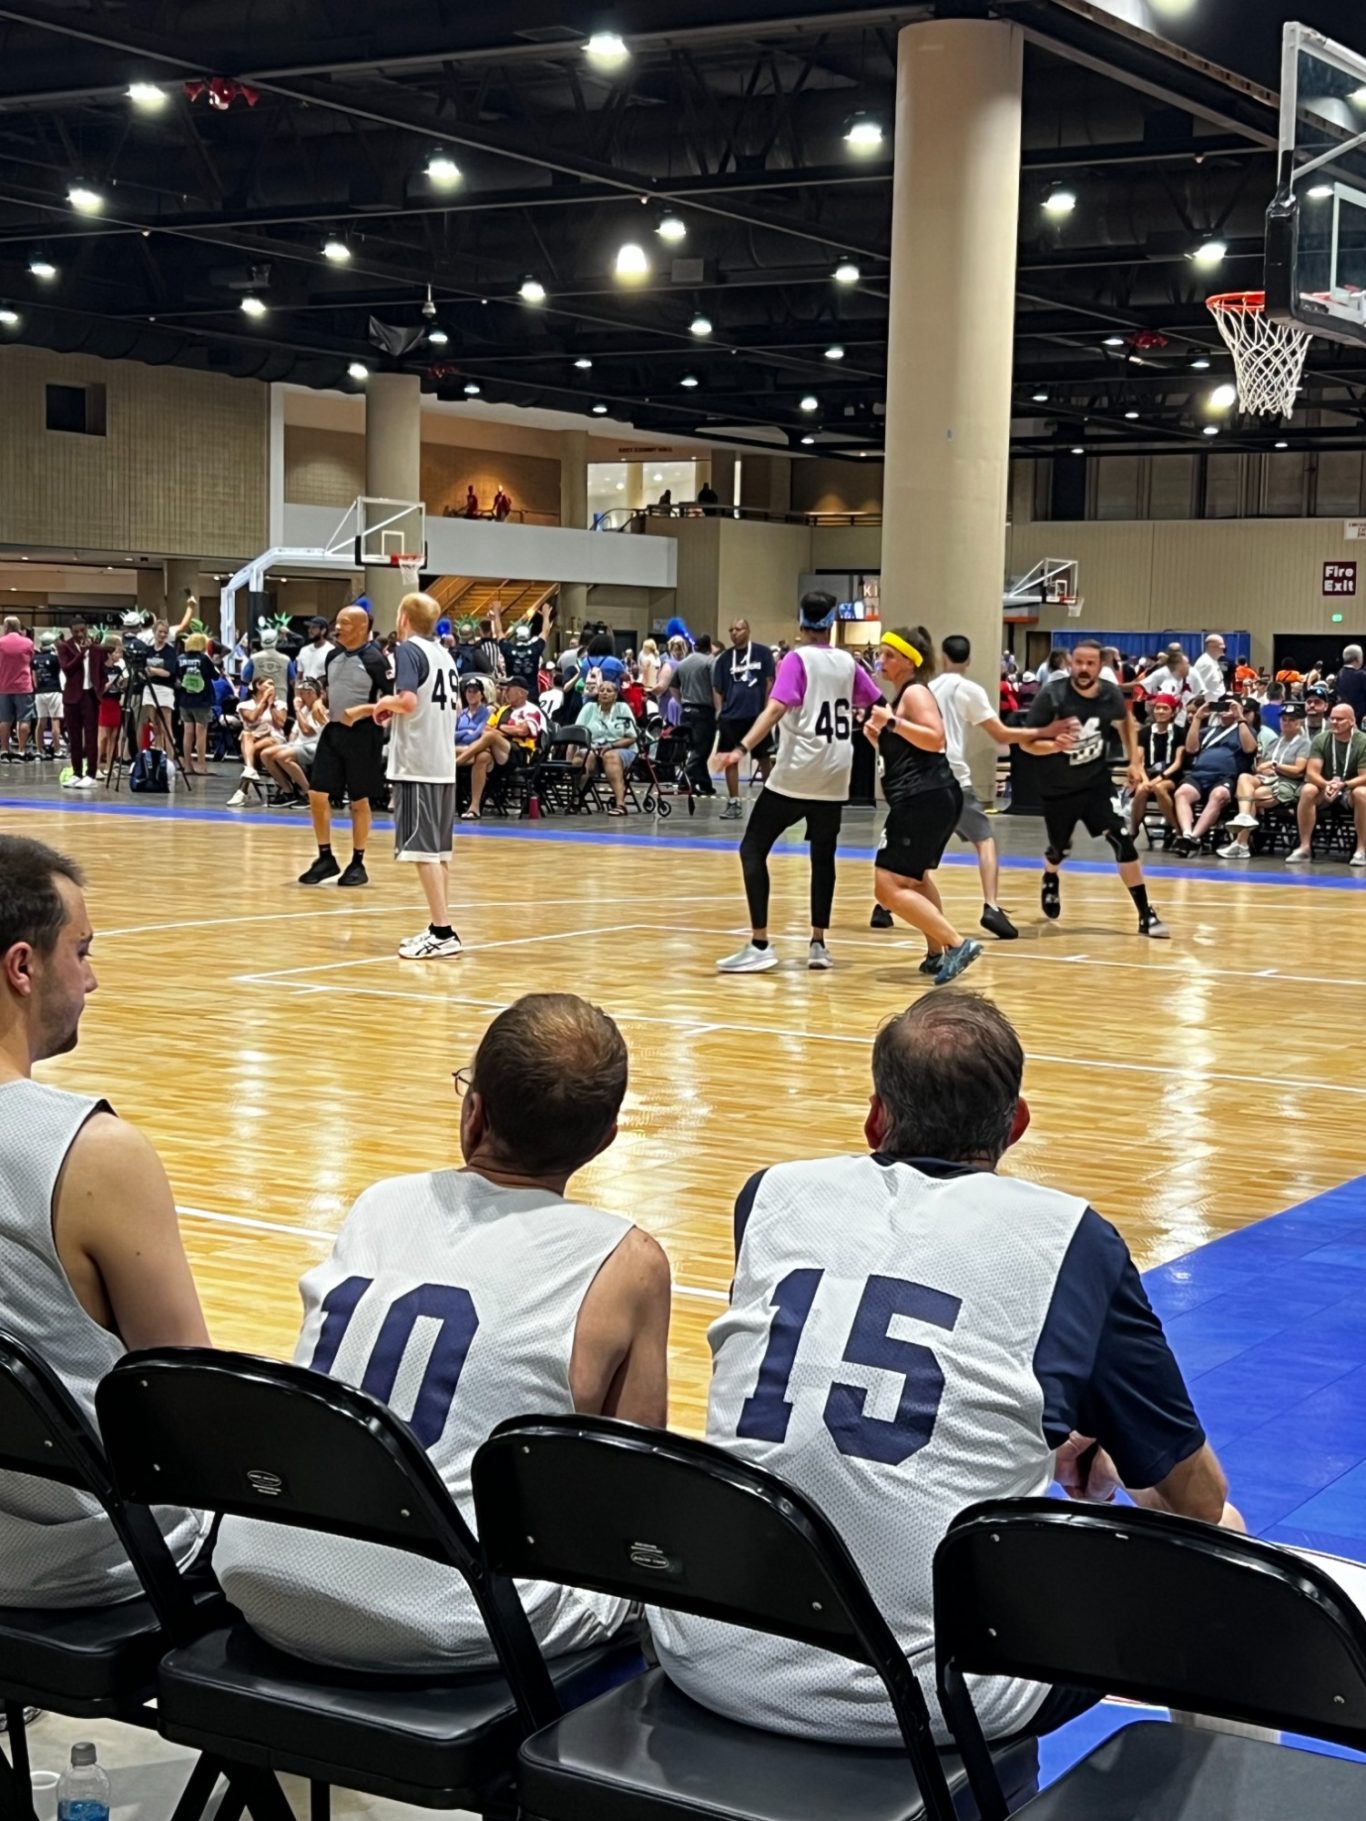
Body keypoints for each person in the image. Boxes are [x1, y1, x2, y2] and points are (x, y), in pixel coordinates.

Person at [650, 990, 1237, 1747]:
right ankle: (1233, 1790)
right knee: (1228, 1544)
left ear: (875, 1118)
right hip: (931, 1700)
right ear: (1016, 1122)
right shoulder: (1071, 1238)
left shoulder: (770, 1196)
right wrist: (1110, 1456)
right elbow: (1197, 1499)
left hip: (706, 1648)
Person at [215, 993, 670, 1671]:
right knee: (648, 1574)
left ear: (473, 1112)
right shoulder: (628, 1259)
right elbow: (633, 1485)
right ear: (605, 1141)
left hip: (260, 1579)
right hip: (449, 1622)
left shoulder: (379, 1203)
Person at [0, 835, 209, 1607]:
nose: (91, 977)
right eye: (81, 951)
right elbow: (189, 1398)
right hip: (89, 1573)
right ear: (22, 967)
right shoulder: (93, 1153)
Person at [713, 592, 882, 974]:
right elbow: (876, 703)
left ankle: (760, 943)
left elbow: (775, 708)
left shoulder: (796, 659)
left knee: (752, 848)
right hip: (836, 772)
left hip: (798, 771)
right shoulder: (849, 662)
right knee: (823, 857)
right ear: (832, 623)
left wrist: (741, 747)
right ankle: (818, 943)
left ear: (801, 622)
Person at [924, 633, 1076, 942]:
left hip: (923, 777)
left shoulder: (925, 689)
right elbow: (1002, 735)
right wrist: (1044, 731)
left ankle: (884, 906)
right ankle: (991, 906)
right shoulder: (968, 689)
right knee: (985, 840)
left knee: (920, 845)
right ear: (969, 660)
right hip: (952, 776)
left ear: (942, 657)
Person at [1021, 637, 1170, 939]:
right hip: (1059, 787)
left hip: (1096, 784)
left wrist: (1134, 761)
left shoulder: (1109, 694)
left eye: (1090, 663)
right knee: (1060, 849)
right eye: (1078, 662)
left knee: (1122, 840)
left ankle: (1145, 914)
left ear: (1100, 665)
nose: (1084, 668)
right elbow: (1027, 743)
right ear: (1070, 664)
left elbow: (1126, 722)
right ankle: (1050, 876)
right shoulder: (1052, 696)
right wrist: (1053, 745)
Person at [345, 592, 465, 958]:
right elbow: (450, 707)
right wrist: (391, 710)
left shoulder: (409, 650)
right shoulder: (445, 655)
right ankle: (439, 924)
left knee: (422, 852)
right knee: (438, 852)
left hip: (418, 763)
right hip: (442, 763)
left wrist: (384, 703)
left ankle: (443, 932)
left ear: (403, 619)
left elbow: (410, 701)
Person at [864, 629, 982, 986]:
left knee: (887, 887)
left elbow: (935, 738)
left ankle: (956, 944)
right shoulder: (902, 696)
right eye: (881, 654)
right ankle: (936, 952)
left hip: (923, 799)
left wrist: (892, 723)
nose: (881, 661)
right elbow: (909, 751)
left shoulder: (915, 693)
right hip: (931, 797)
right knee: (915, 880)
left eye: (889, 655)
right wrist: (880, 739)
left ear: (909, 660)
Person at [298, 604, 390, 888]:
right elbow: (331, 689)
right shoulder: (333, 656)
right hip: (334, 731)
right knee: (316, 793)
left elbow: (394, 704)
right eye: (337, 622)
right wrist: (318, 702)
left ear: (362, 628)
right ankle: (325, 857)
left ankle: (358, 861)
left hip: (364, 735)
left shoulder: (376, 660)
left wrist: (362, 711)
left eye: (345, 623)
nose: (337, 628)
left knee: (359, 800)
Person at [1217, 700, 1309, 859]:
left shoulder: (1304, 743)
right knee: (1244, 777)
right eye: (1284, 719)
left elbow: (1298, 770)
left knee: (1252, 797)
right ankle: (1244, 817)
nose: (1286, 723)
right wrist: (1265, 768)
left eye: (1291, 720)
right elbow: (1260, 766)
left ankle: (1241, 844)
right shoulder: (1274, 742)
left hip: (1287, 783)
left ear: (1299, 723)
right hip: (1266, 778)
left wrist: (1275, 766)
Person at [1170, 696, 1257, 857]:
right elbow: (1191, 749)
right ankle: (1187, 833)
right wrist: (1197, 718)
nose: (1224, 710)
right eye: (1221, 706)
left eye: (1229, 706)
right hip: (1199, 775)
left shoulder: (1245, 730)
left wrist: (1239, 717)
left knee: (1219, 795)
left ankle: (1194, 837)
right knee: (1181, 793)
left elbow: (1250, 748)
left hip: (1225, 777)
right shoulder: (1208, 731)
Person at [1288, 701, 1366, 865]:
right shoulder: (1321, 739)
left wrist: (1344, 785)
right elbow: (1311, 772)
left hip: (1350, 789)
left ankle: (1362, 850)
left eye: (1340, 719)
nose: (1334, 722)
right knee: (1308, 789)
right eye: (1332, 718)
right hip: (1327, 787)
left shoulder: (1362, 741)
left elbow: (1364, 776)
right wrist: (1326, 785)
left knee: (1362, 793)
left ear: (1352, 721)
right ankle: (1304, 847)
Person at [713, 618, 776, 819]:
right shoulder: (724, 658)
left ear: (748, 630)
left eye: (738, 629)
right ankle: (734, 802)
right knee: (730, 759)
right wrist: (720, 711)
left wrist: (766, 709)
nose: (734, 633)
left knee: (764, 758)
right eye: (731, 630)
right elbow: (717, 687)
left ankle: (771, 802)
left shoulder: (762, 653)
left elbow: (769, 681)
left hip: (756, 716)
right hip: (731, 717)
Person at [459, 677, 546, 820]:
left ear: (520, 693)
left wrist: (500, 729)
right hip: (499, 750)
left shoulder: (532, 710)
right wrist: (505, 730)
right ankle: (474, 808)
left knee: (491, 737)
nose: (505, 692)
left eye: (509, 689)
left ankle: (457, 762)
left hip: (521, 753)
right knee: (482, 758)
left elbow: (522, 731)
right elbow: (485, 729)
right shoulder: (502, 709)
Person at [576, 676, 639, 816]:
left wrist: (611, 746)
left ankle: (620, 804)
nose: (604, 693)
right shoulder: (589, 708)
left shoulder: (623, 708)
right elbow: (577, 732)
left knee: (610, 756)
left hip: (621, 748)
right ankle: (576, 798)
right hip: (593, 748)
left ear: (615, 695)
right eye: (602, 690)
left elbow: (632, 737)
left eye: (609, 691)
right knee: (582, 757)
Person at [57, 619, 107, 789]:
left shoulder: (96, 648)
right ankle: (77, 772)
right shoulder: (65, 647)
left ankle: (91, 774)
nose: (80, 634)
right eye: (76, 631)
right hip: (72, 697)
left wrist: (100, 690)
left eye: (82, 630)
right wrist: (81, 653)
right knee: (74, 737)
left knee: (91, 736)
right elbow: (67, 669)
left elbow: (103, 672)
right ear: (71, 631)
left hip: (90, 696)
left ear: (87, 629)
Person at [261, 676, 326, 805]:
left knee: (283, 757)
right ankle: (288, 791)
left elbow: (307, 731)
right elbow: (294, 732)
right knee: (266, 754)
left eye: (302, 693)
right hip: (299, 744)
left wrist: (297, 709)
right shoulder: (305, 709)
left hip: (315, 745)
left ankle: (309, 794)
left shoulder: (319, 709)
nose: (299, 696)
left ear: (310, 693)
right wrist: (289, 745)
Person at [1127, 693, 1184, 839]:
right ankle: (1133, 830)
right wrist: (1146, 780)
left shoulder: (1179, 732)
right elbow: (1138, 760)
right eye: (1158, 708)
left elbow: (1178, 762)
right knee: (1141, 789)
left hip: (1170, 775)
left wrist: (1158, 779)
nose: (1160, 711)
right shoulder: (1145, 732)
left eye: (1165, 708)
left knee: (1160, 788)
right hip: (1149, 774)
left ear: (1173, 712)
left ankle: (1177, 830)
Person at [226, 677, 288, 806]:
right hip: (253, 739)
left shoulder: (280, 704)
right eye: (269, 684)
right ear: (258, 686)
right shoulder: (244, 705)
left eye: (273, 684)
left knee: (250, 747)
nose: (272, 687)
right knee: (246, 735)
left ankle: (243, 786)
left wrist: (271, 705)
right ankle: (249, 771)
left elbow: (280, 724)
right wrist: (264, 700)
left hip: (274, 739)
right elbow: (251, 719)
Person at [673, 633, 719, 796]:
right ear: (709, 647)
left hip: (686, 710)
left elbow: (673, 686)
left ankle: (705, 784)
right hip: (704, 710)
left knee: (695, 748)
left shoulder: (682, 663)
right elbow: (715, 687)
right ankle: (683, 781)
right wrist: (719, 709)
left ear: (694, 647)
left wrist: (681, 702)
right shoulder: (710, 662)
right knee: (702, 750)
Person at [137, 618, 180, 758]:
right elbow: (141, 670)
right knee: (154, 724)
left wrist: (152, 670)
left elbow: (168, 672)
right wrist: (148, 673)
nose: (162, 635)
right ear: (154, 632)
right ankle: (158, 754)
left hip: (165, 689)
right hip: (149, 688)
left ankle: (170, 759)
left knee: (166, 725)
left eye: (165, 632)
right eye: (160, 632)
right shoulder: (148, 650)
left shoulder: (170, 652)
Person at [176, 632, 217, 777]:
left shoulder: (180, 659)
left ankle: (187, 766)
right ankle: (201, 766)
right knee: (201, 733)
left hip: (184, 700)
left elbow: (176, 677)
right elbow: (215, 675)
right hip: (202, 700)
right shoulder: (204, 659)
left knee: (187, 733)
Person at [0, 615, 35, 765]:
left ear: (6, 627)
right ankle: (21, 751)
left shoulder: (0, 642)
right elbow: (31, 661)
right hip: (23, 686)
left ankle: (4, 751)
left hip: (3, 686)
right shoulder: (28, 643)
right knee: (24, 719)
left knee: (4, 720)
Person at [96, 636, 126, 777]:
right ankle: (97, 766)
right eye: (117, 652)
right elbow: (98, 689)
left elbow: (121, 687)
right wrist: (106, 685)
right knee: (103, 736)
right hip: (105, 703)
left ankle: (109, 765)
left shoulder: (118, 669)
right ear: (109, 653)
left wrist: (123, 684)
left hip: (115, 703)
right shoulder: (101, 669)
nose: (119, 655)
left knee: (114, 736)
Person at [32, 630, 64, 762]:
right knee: (55, 721)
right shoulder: (55, 658)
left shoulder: (34, 659)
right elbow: (61, 672)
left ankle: (39, 750)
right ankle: (57, 750)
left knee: (41, 721)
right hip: (54, 691)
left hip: (40, 692)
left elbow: (34, 678)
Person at [455, 677, 491, 756]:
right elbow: (452, 736)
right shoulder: (461, 713)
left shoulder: (486, 713)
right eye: (469, 691)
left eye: (475, 692)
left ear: (481, 695)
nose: (471, 694)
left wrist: (459, 735)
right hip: (458, 748)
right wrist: (466, 732)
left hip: (474, 749)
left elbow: (475, 735)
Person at [1191, 634, 1228, 706]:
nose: (1224, 648)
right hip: (1208, 707)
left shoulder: (1212, 661)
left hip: (1216, 705)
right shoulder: (1205, 663)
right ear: (1211, 647)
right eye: (1221, 646)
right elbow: (1197, 689)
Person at [295, 617, 333, 685]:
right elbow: (299, 676)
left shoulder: (331, 651)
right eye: (309, 627)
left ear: (323, 631)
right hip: (304, 689)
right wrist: (296, 690)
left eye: (314, 627)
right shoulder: (304, 650)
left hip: (322, 690)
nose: (309, 630)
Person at [1335, 643, 1366, 727]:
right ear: (1358, 658)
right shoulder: (1362, 675)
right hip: (1360, 721)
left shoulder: (1339, 674)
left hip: (1343, 718)